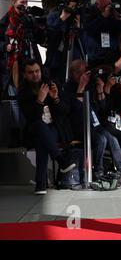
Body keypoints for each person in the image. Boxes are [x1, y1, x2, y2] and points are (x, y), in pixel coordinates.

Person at [18, 59, 76, 195]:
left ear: (41, 71)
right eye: (30, 72)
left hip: (53, 128)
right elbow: (31, 118)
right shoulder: (23, 93)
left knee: (42, 141)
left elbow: (65, 111)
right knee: (39, 126)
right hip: (33, 129)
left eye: (37, 71)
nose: (35, 75)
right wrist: (39, 100)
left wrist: (55, 98)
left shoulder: (51, 84)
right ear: (25, 75)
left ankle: (40, 185)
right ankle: (61, 160)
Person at [0, 0, 46, 91]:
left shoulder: (29, 18)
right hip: (15, 61)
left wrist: (41, 28)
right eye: (22, 2)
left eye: (26, 2)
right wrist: (5, 46)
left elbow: (40, 39)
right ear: (14, 2)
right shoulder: (6, 21)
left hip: (32, 58)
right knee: (17, 90)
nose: (24, 5)